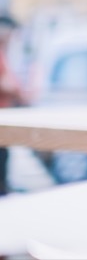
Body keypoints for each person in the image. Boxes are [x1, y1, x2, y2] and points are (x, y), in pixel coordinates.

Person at [0, 14, 30, 195]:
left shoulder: (4, 52)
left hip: (5, 113)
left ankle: (3, 187)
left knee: (4, 154)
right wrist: (18, 92)